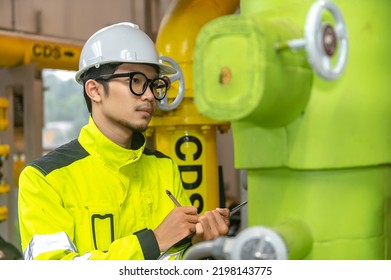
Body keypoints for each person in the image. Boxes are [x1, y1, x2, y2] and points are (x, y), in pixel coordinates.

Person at [18, 22, 230, 260]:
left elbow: (175, 259)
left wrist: (198, 246)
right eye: (136, 81)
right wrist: (154, 241)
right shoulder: (45, 179)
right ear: (95, 90)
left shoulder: (164, 168)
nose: (149, 95)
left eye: (153, 84)